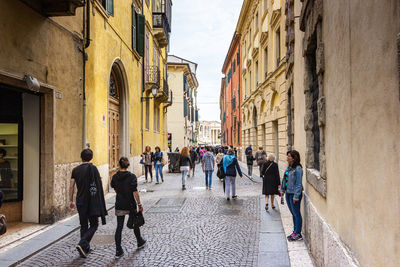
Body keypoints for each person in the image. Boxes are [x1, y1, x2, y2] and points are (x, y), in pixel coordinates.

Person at [69, 148, 107, 258]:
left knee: (83, 225)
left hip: (80, 201)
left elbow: (71, 186)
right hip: (91, 201)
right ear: (91, 157)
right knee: (94, 224)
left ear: (81, 157)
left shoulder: (75, 170)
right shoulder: (93, 168)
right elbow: (98, 183)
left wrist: (70, 200)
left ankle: (85, 249)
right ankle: (83, 243)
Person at [111, 157, 146, 258]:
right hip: (130, 204)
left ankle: (118, 250)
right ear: (128, 165)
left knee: (119, 227)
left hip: (120, 203)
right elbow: (135, 192)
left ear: (119, 165)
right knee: (135, 223)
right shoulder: (132, 177)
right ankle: (139, 241)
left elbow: (114, 187)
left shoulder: (115, 177)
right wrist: (139, 204)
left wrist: (119, 193)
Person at [280, 150, 303, 241]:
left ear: (294, 158)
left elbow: (298, 184)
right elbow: (284, 180)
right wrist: (282, 190)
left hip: (294, 195)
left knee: (297, 213)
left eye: (289, 156)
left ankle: (298, 234)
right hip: (288, 194)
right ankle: (295, 231)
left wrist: (296, 196)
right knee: (293, 213)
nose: (287, 158)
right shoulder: (288, 168)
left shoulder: (298, 169)